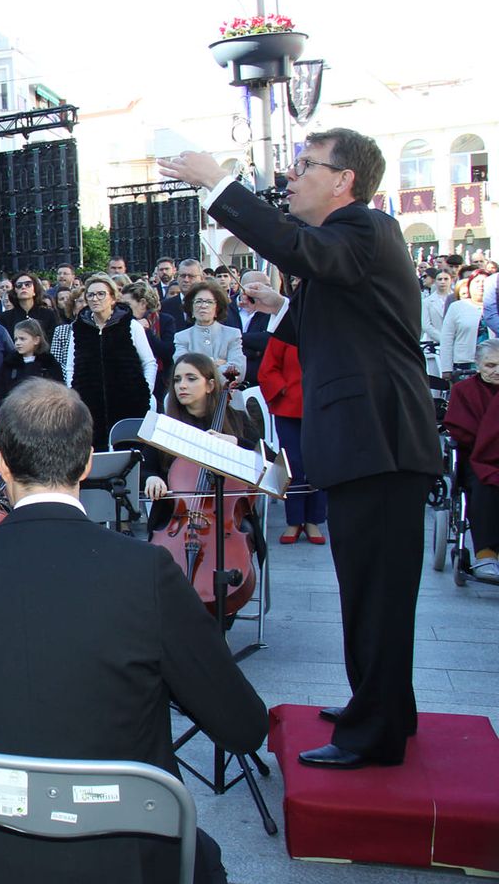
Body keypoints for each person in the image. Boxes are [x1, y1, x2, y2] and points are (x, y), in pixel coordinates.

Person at [0, 379, 266, 884]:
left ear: (1, 459)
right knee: (202, 861)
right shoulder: (148, 572)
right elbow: (243, 726)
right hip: (124, 880)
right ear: (87, 463)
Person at [162, 129, 440, 769]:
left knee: (378, 591)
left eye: (305, 166)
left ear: (343, 181)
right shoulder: (348, 246)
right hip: (366, 442)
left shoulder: (364, 229)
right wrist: (283, 306)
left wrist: (218, 184)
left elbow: (297, 246)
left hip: (382, 442)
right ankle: (382, 702)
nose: (291, 177)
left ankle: (377, 730)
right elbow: (340, 325)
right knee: (365, 587)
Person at [140, 353, 260, 532]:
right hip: (176, 516)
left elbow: (266, 460)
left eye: (191, 379)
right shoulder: (165, 426)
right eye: (177, 380)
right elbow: (144, 467)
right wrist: (151, 478)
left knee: (245, 531)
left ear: (210, 385)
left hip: (228, 516)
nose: (182, 385)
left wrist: (236, 442)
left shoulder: (237, 421)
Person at [59, 273, 156, 451]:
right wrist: (73, 393)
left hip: (128, 402)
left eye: (101, 294)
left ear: (112, 298)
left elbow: (149, 362)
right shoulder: (78, 328)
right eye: (91, 295)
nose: (95, 299)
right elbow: (71, 365)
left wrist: (145, 391)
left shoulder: (131, 326)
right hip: (89, 402)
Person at [260, 333, 328, 545]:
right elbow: (268, 369)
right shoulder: (285, 332)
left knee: (319, 463)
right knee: (293, 465)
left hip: (322, 406)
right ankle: (294, 520)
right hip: (289, 408)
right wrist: (284, 389)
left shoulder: (328, 330)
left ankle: (313, 520)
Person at [443, 341, 499, 576]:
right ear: (478, 365)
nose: (497, 370)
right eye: (490, 365)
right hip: (477, 456)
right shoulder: (463, 391)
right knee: (485, 482)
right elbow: (461, 430)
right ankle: (486, 553)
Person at [174, 280, 246, 383]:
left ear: (217, 309)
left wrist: (198, 372)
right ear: (191, 308)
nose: (203, 306)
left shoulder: (232, 334)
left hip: (227, 397)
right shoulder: (181, 337)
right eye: (198, 301)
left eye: (209, 302)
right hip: (194, 397)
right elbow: (183, 372)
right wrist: (216, 363)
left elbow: (237, 372)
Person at [120, 279, 177, 406]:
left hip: (162, 381)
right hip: (132, 381)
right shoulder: (123, 324)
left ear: (142, 303)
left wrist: (145, 332)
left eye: (127, 304)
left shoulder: (165, 320)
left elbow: (167, 351)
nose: (122, 309)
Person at [0, 319, 62, 405]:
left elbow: (59, 391)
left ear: (36, 340)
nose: (18, 343)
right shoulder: (9, 364)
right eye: (16, 339)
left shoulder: (49, 364)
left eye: (22, 339)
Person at [237, 270, 275, 385]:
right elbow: (220, 341)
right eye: (265, 286)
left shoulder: (272, 312)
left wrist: (235, 337)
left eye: (270, 286)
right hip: (229, 385)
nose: (271, 291)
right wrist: (254, 351)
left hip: (261, 383)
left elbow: (269, 340)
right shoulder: (224, 311)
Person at [0, 271, 60, 340]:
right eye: (19, 285)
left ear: (34, 290)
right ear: (15, 291)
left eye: (28, 284)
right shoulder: (5, 318)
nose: (23, 287)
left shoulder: (48, 314)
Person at [440, 293, 481, 377]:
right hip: (465, 364)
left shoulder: (494, 306)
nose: (481, 285)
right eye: (477, 281)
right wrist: (446, 368)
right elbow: (447, 338)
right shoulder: (457, 307)